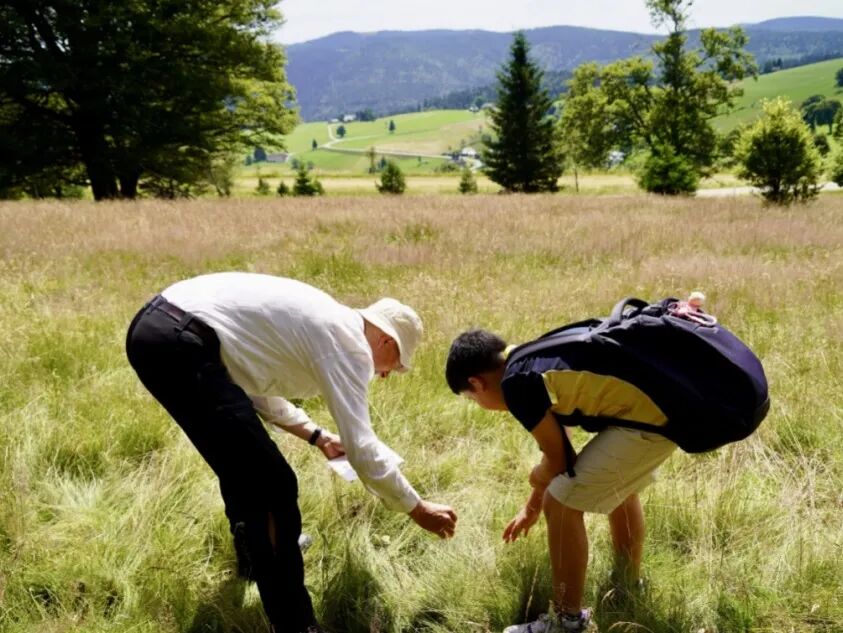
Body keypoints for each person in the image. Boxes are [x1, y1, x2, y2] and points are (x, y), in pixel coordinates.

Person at [126, 272, 457, 633]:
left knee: (242, 462)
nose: (387, 375)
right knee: (273, 485)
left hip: (158, 331)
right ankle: (296, 624)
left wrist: (317, 436)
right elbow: (362, 448)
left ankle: (256, 557)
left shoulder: (327, 324)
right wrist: (416, 507)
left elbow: (250, 381)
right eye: (396, 365)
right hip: (180, 344)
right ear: (385, 341)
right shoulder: (349, 344)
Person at [445, 329, 678, 633]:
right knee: (619, 485)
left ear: (476, 383)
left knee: (560, 501)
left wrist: (536, 478)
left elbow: (556, 464)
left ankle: (565, 622)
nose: (476, 402)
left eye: (471, 397)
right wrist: (531, 508)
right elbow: (562, 446)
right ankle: (628, 583)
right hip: (662, 408)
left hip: (652, 420)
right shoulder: (526, 356)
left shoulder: (515, 385)